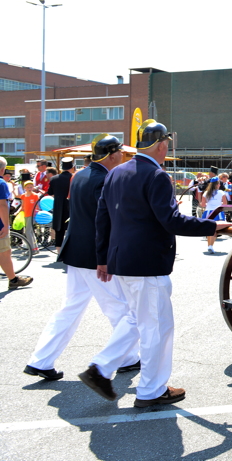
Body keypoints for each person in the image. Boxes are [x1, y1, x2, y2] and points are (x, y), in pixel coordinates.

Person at [78, 120, 231, 408]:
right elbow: (171, 220)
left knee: (138, 320)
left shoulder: (116, 172)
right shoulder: (157, 176)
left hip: (121, 260)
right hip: (146, 264)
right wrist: (212, 226)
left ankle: (100, 368)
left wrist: (102, 259)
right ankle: (151, 390)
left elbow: (104, 219)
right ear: (162, 145)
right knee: (157, 328)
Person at [24, 135, 140, 381]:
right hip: (94, 255)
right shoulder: (104, 179)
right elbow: (105, 222)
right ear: (111, 154)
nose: (123, 156)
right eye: (120, 152)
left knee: (71, 308)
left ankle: (40, 360)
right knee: (118, 307)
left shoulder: (83, 175)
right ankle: (127, 358)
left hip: (75, 251)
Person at [0, 156, 33, 290]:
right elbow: (2, 206)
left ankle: (13, 278)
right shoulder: (1, 184)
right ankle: (13, 280)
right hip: (0, 224)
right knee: (4, 252)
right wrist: (6, 225)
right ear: (2, 170)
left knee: (5, 252)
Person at [47, 157, 74, 254]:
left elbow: (50, 192)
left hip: (58, 205)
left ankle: (59, 252)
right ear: (72, 167)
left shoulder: (54, 179)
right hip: (71, 205)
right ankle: (71, 251)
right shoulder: (74, 177)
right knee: (71, 228)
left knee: (59, 229)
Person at [202, 177, 228, 254]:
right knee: (215, 229)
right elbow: (225, 204)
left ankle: (209, 245)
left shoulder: (206, 193)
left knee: (209, 229)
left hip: (208, 212)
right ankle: (211, 246)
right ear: (217, 185)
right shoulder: (221, 193)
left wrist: (209, 204)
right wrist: (218, 203)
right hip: (217, 212)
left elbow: (203, 204)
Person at [21, 180, 39, 254]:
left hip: (32, 215)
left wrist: (36, 212)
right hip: (26, 215)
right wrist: (17, 212)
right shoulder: (23, 196)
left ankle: (32, 249)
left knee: (28, 232)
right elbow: (22, 206)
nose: (29, 188)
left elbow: (37, 206)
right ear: (25, 188)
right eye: (28, 187)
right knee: (30, 232)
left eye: (31, 187)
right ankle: (35, 248)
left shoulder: (35, 195)